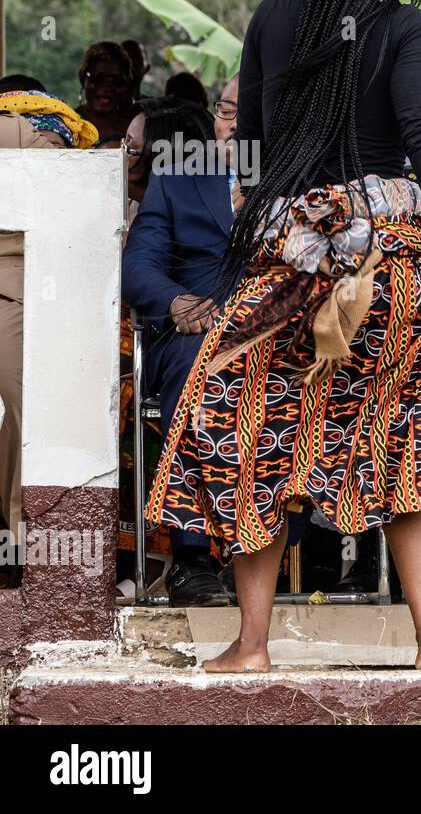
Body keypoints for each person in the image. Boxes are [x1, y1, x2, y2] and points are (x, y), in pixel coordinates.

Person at [145, 0, 421, 672]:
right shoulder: (405, 25)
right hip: (385, 271)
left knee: (251, 439)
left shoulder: (273, 18)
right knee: (406, 439)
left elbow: (247, 143)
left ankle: (251, 645)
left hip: (288, 269)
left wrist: (278, 227)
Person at [123, 93, 240, 607]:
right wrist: (176, 301)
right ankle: (194, 559)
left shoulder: (306, 178)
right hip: (196, 333)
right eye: (226, 109)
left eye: (247, 109)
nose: (231, 121)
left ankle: (276, 548)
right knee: (203, 367)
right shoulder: (180, 176)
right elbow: (139, 264)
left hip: (287, 330)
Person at [0, 87, 96, 589]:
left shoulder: (29, 131)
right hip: (26, 291)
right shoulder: (41, 130)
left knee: (24, 413)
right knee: (24, 412)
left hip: (24, 289)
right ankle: (17, 544)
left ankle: (16, 545)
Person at [75, 41, 135, 148]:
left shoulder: (134, 131)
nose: (106, 88)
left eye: (117, 81)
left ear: (127, 85)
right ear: (83, 79)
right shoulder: (68, 125)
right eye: (97, 79)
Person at [122, 40, 150, 104]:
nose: (132, 64)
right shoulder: (100, 106)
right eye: (126, 59)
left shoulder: (155, 108)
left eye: (137, 59)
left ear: (147, 68)